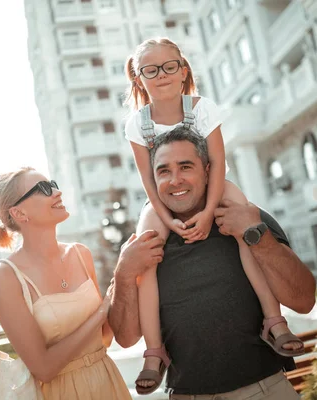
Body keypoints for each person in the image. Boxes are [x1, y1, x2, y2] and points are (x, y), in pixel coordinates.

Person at [123, 37, 304, 394]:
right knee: (145, 252)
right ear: (138, 79)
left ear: (183, 70)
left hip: (215, 184)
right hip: (164, 199)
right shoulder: (136, 124)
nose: (161, 75)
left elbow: (217, 162)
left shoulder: (202, 108)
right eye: (150, 70)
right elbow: (149, 179)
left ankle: (275, 321)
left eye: (169, 66)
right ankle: (155, 352)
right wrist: (167, 220)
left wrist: (208, 213)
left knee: (246, 225)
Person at [109, 127, 317, 399]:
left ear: (208, 171)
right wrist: (124, 273)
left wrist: (254, 235)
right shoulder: (143, 244)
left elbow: (304, 300)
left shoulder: (245, 215)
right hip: (186, 394)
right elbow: (125, 338)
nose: (175, 180)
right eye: (164, 171)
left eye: (186, 167)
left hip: (265, 388)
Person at [0, 167, 131, 400]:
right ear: (19, 213)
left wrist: (126, 276)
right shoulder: (4, 276)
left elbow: (104, 339)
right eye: (43, 189)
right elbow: (43, 368)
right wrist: (102, 310)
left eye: (52, 184)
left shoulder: (81, 254)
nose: (57, 192)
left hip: (108, 382)